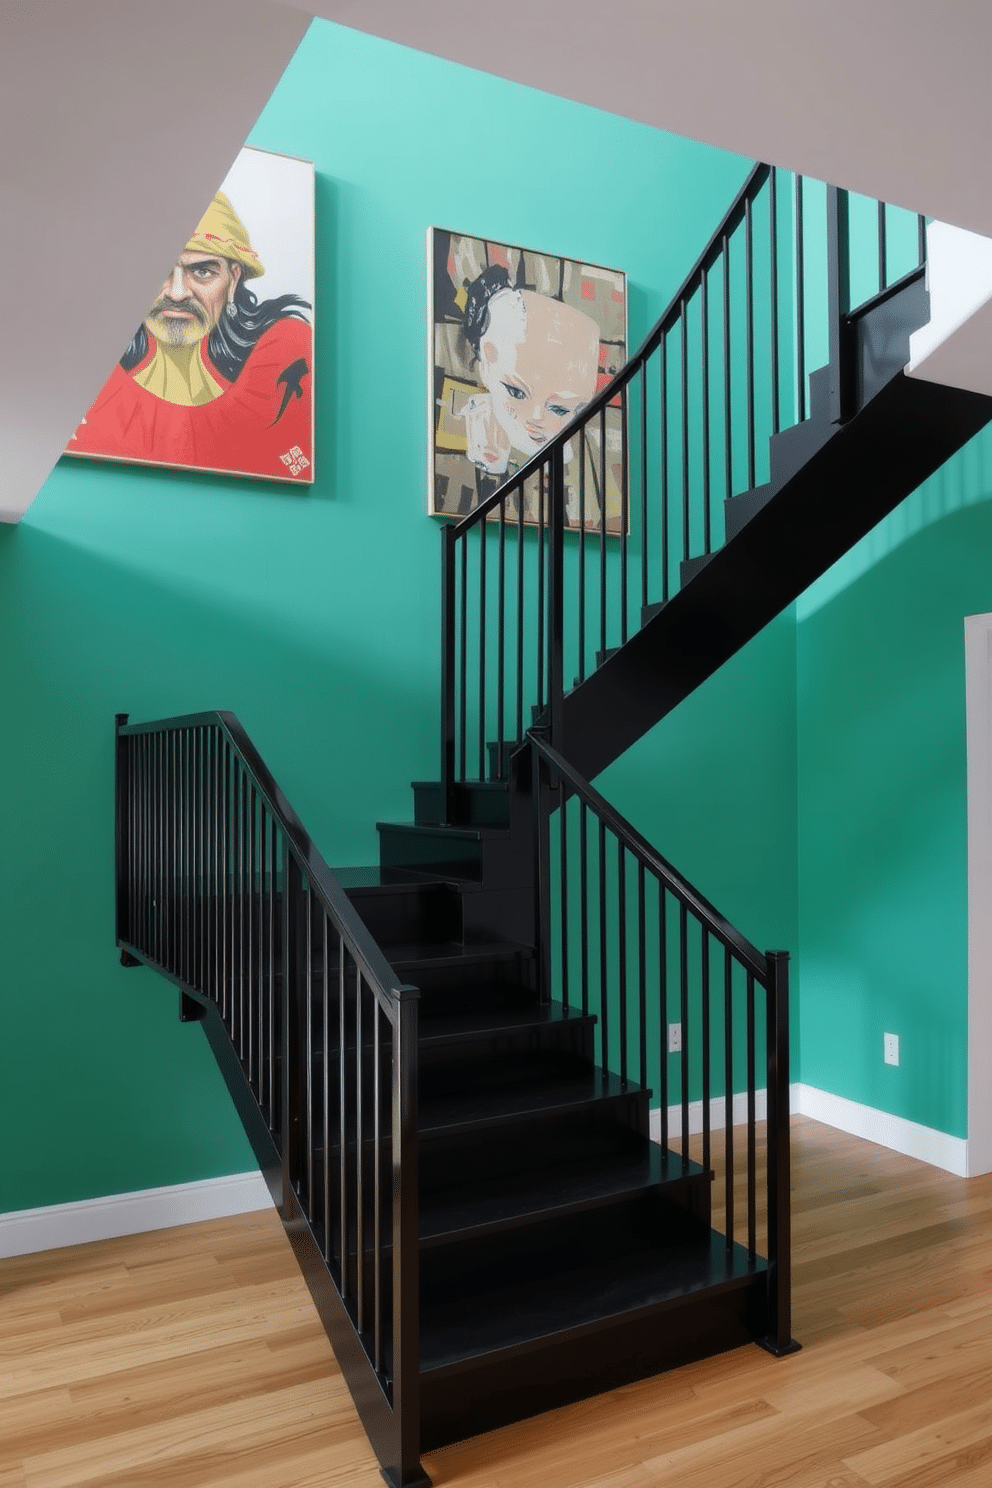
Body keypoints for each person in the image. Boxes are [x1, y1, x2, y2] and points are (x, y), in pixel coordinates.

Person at [69, 191, 313, 481]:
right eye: (158, 270)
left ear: (233, 279)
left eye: (203, 271)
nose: (177, 292)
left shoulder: (278, 377)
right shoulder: (82, 384)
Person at [459, 264, 600, 476]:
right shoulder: (476, 427)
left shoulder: (582, 457)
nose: (536, 418)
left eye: (559, 408)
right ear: (487, 363)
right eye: (516, 392)